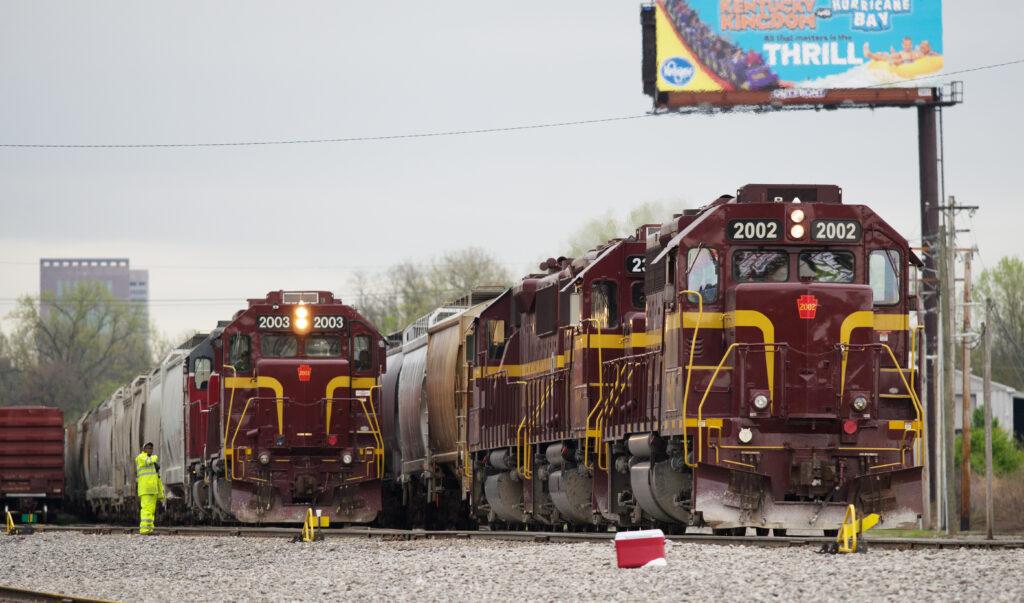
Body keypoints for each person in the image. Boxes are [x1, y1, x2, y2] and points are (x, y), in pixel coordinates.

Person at [135, 442, 165, 535]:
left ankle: (150, 529)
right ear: (143, 449)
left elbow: (157, 477)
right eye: (147, 448)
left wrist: (160, 491)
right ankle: (144, 529)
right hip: (145, 489)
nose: (150, 450)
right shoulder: (141, 457)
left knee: (151, 511)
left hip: (152, 489)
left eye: (151, 448)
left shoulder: (152, 463)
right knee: (146, 509)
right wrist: (155, 457)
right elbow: (149, 461)